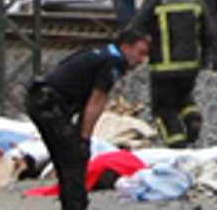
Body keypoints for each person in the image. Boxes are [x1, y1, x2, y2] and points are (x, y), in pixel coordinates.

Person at [27, 30, 151, 210]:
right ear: (126, 46)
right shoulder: (114, 61)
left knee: (66, 158)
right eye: (140, 53)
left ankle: (71, 204)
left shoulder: (102, 53)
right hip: (50, 105)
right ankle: (76, 206)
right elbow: (96, 101)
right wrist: (85, 138)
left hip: (44, 100)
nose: (141, 60)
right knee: (74, 158)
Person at [132, 0, 217, 148]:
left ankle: (176, 145)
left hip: (162, 68)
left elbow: (135, 29)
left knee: (164, 108)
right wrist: (213, 59)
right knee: (184, 96)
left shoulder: (155, 1)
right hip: (191, 66)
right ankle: (192, 118)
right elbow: (211, 32)